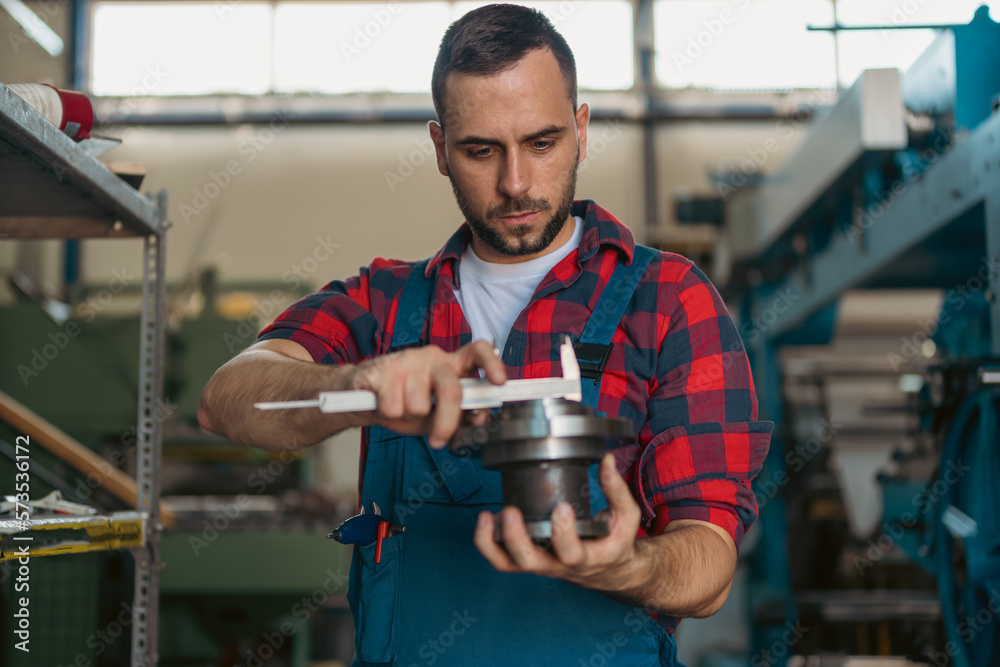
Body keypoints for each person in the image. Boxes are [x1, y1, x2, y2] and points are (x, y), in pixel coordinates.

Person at [198, 4, 772, 666]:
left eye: (543, 143)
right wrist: (357, 387)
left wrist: (626, 566)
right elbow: (228, 399)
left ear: (582, 131)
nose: (516, 183)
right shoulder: (385, 303)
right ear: (441, 148)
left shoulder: (668, 300)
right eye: (481, 150)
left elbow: (708, 559)